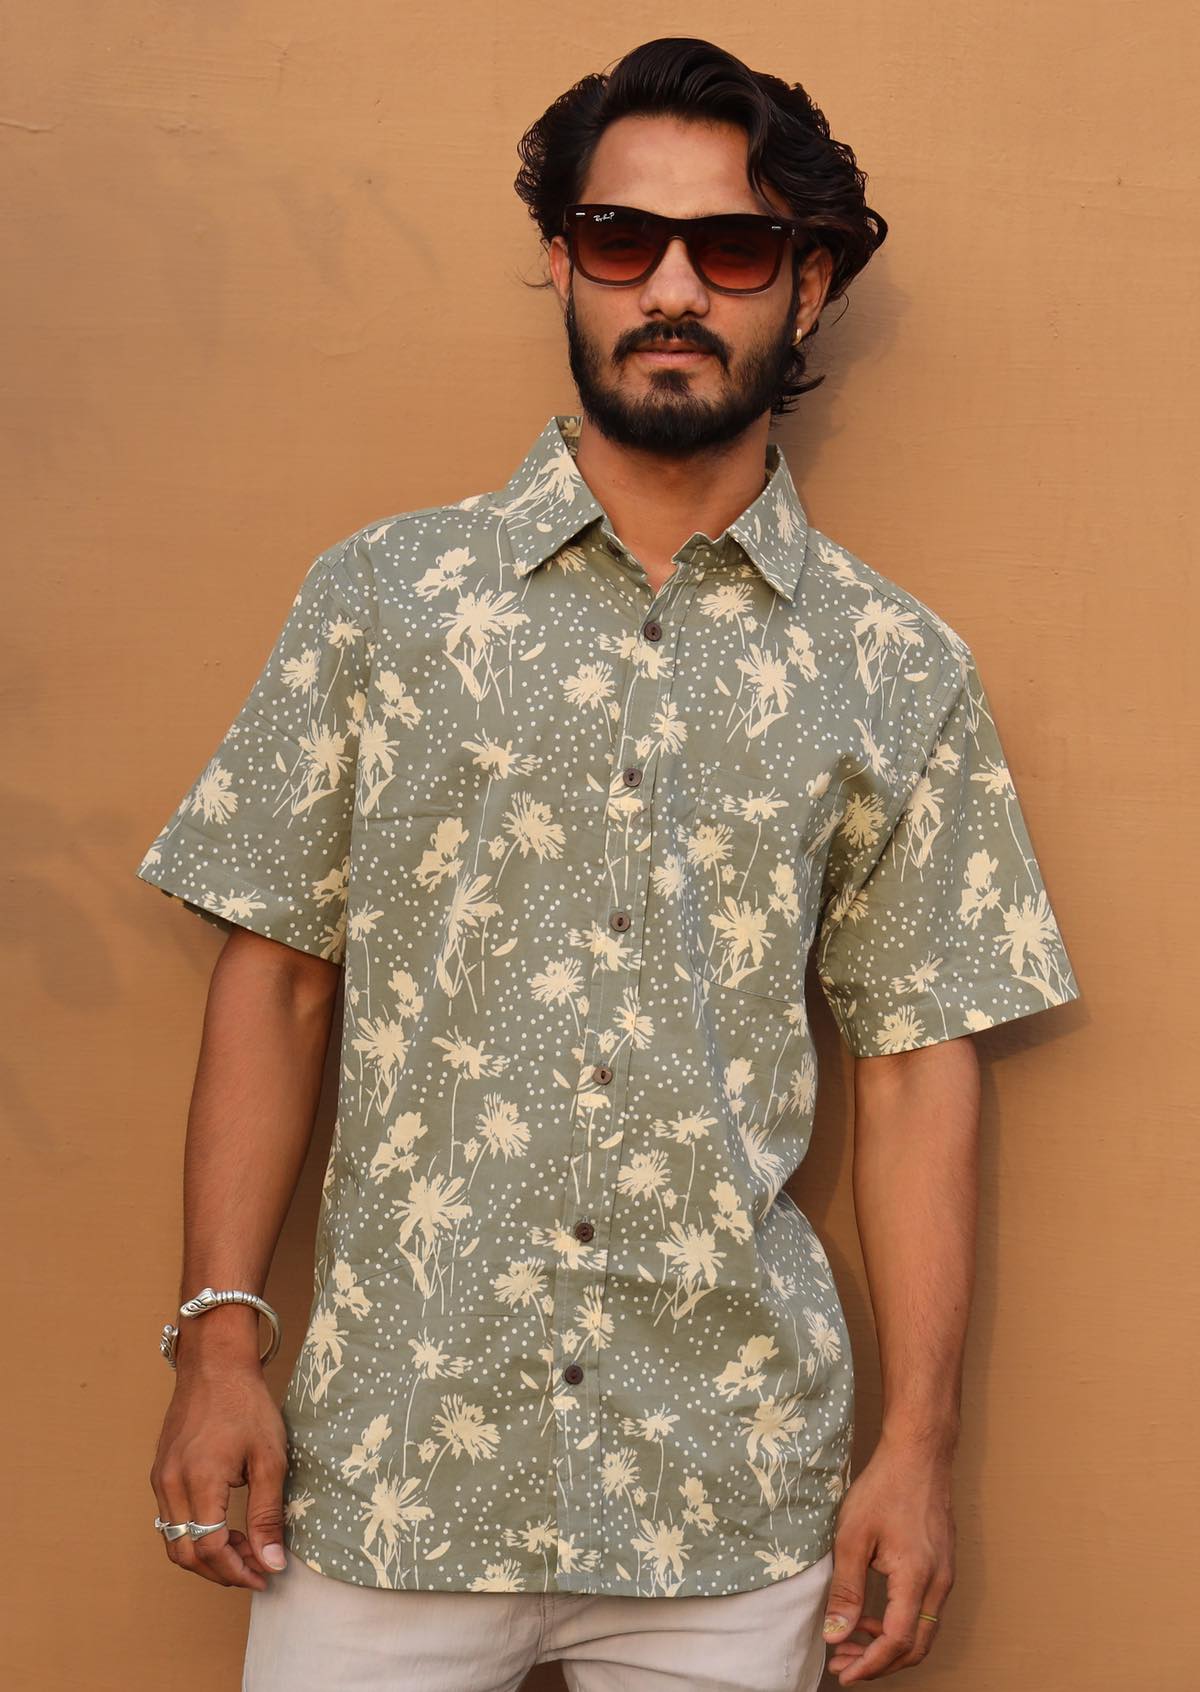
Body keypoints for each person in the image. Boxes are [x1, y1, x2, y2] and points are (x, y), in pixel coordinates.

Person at [138, 34, 1081, 1692]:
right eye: (619, 238)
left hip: (726, 1507)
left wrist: (916, 1451)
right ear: (564, 260)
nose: (670, 287)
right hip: (388, 1482)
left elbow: (921, 1070)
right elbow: (277, 981)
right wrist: (220, 1345)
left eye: (729, 247)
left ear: (808, 285)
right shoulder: (383, 602)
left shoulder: (894, 666)